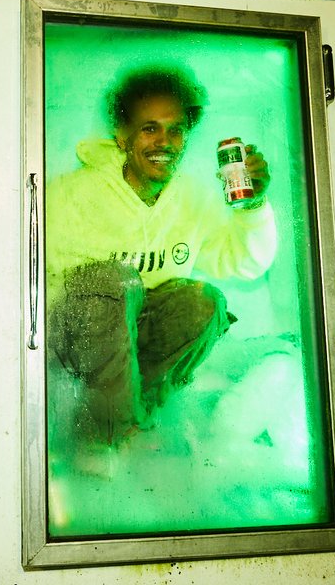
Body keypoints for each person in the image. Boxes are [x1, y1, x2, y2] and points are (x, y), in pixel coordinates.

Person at [45, 65, 278, 448]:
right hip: (68, 350)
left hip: (130, 356)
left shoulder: (192, 198)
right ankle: (101, 436)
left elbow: (245, 263)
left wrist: (252, 206)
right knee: (116, 281)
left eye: (175, 130)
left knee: (204, 301)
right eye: (149, 128)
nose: (164, 142)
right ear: (122, 135)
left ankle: (131, 422)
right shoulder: (70, 195)